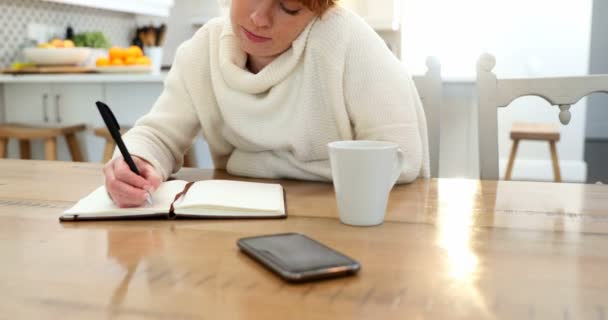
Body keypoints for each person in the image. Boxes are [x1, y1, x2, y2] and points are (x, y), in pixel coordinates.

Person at [103, 0, 430, 208]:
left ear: (319, 9)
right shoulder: (203, 49)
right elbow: (159, 134)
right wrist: (135, 162)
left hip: (351, 223)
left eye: (288, 7)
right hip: (241, 220)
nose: (259, 18)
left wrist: (249, 163)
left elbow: (400, 159)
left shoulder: (347, 40)